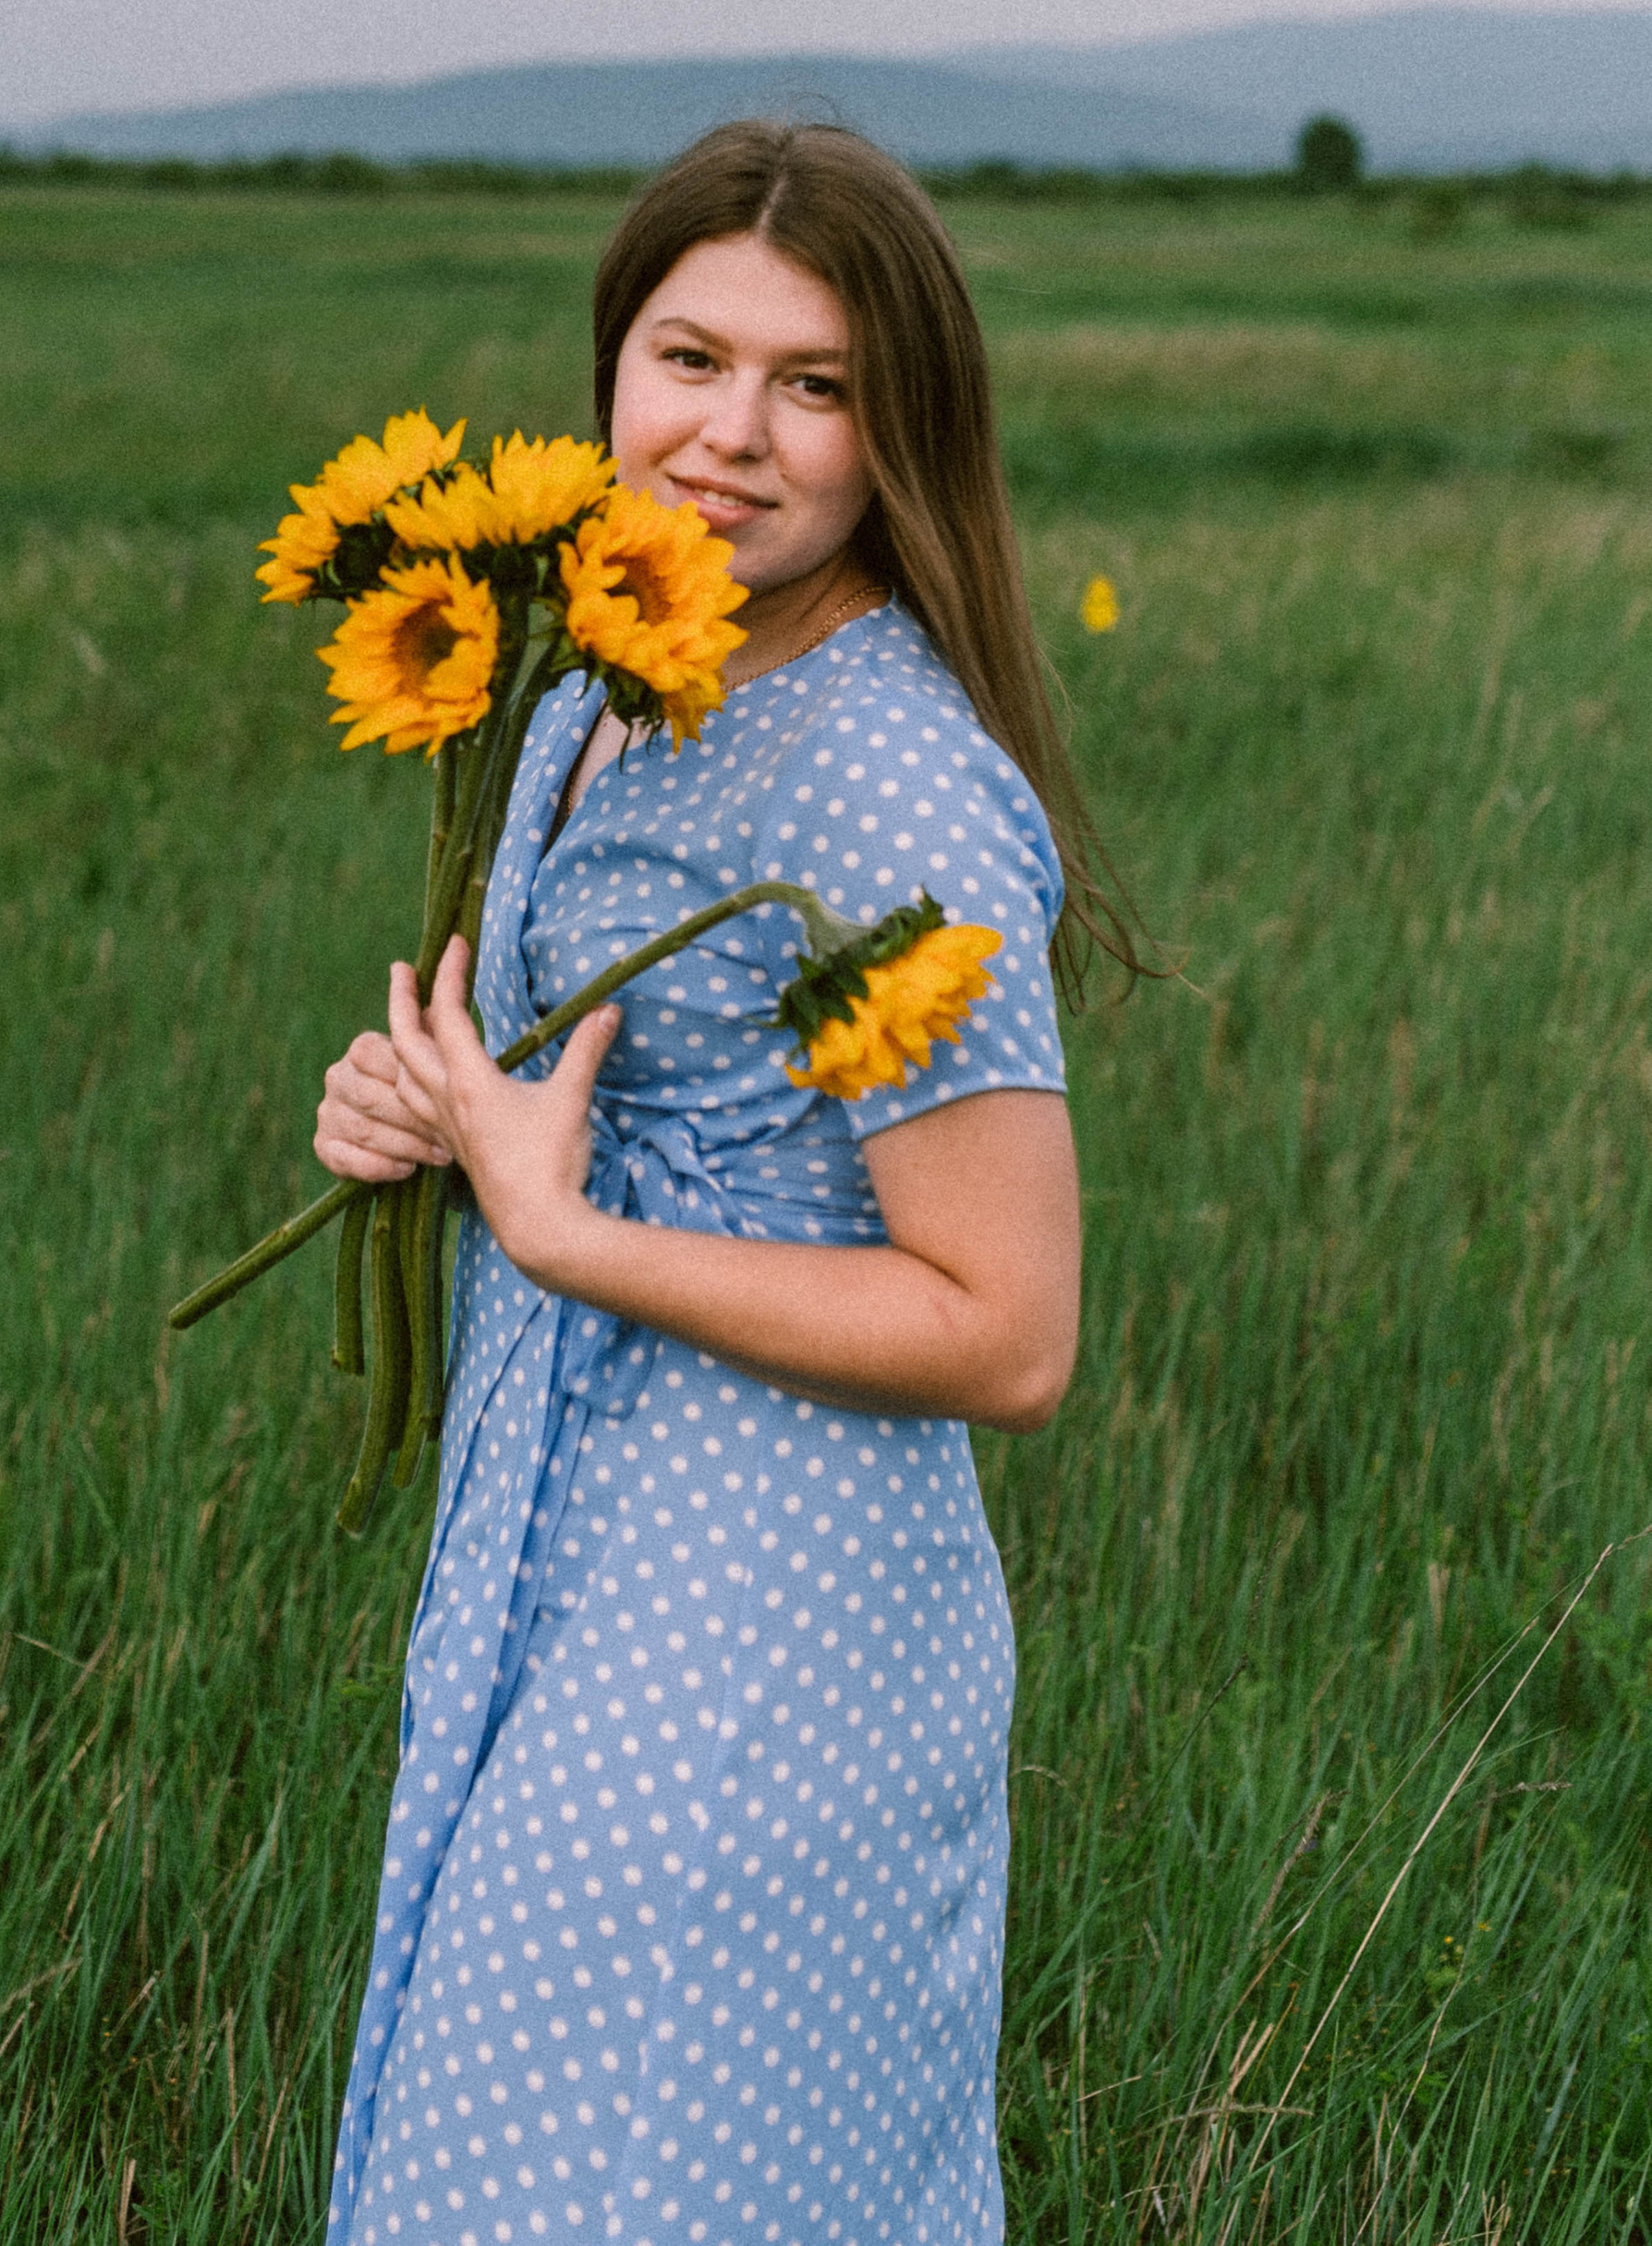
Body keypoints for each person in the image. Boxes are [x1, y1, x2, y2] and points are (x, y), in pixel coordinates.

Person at [314, 119, 1141, 2246]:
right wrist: (427, 1108)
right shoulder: (607, 670)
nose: (730, 438)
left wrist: (565, 1228)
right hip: (564, 1563)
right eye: (690, 357)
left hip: (753, 1644)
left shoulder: (885, 779)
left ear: (899, 434)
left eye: (816, 385)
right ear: (609, 361)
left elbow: (1010, 1327)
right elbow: (583, 1070)